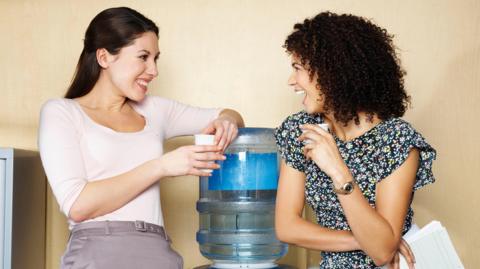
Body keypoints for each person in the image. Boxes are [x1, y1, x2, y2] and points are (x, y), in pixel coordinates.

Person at [38, 7, 244, 269]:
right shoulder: (62, 112)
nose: (154, 70)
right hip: (96, 255)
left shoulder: (155, 110)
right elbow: (78, 205)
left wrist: (227, 122)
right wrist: (162, 166)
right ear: (104, 57)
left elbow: (230, 114)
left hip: (157, 253)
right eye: (143, 57)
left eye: (156, 59)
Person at [274, 12, 436, 269]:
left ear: (332, 73)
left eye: (298, 68)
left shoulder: (396, 140)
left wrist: (337, 170)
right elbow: (286, 227)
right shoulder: (300, 131)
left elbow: (382, 253)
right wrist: (361, 240)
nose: (291, 81)